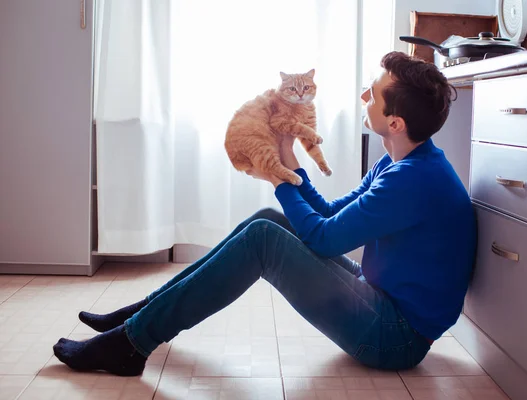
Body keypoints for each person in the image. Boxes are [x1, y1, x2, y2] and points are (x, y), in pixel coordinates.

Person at [52, 51, 476, 376]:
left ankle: (130, 344)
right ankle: (141, 314)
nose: (364, 96)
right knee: (267, 221)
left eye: (373, 93)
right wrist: (288, 162)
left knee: (264, 239)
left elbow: (326, 239)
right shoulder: (401, 164)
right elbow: (329, 213)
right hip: (380, 302)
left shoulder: (413, 180)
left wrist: (277, 179)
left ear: (396, 123)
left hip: (394, 338)